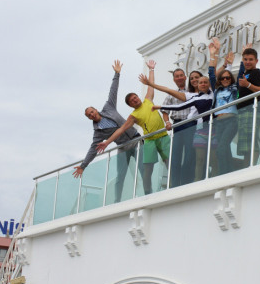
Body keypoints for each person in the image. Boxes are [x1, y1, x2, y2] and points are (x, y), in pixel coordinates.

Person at [96, 60, 170, 196]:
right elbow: (120, 130)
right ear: (130, 105)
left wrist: (151, 69)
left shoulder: (148, 100)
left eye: (135, 97)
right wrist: (107, 142)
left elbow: (151, 85)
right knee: (147, 171)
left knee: (168, 162)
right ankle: (148, 193)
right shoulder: (134, 115)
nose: (135, 100)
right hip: (149, 141)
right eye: (132, 100)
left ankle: (174, 184)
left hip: (163, 136)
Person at [72, 60, 140, 202]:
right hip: (123, 147)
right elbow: (93, 150)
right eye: (89, 115)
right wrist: (83, 166)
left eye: (92, 111)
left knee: (141, 169)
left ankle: (145, 192)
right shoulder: (98, 132)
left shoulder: (109, 107)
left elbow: (113, 91)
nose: (91, 114)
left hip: (135, 139)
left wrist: (117, 74)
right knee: (121, 175)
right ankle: (117, 201)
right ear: (89, 118)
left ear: (96, 110)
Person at [139, 73, 215, 181]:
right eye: (195, 79)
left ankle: (200, 179)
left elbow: (213, 73)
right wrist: (151, 85)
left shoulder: (212, 92)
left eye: (202, 81)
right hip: (193, 127)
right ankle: (183, 182)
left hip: (203, 125)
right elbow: (175, 101)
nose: (199, 82)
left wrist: (224, 64)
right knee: (186, 157)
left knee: (202, 156)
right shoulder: (193, 97)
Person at [208, 39, 244, 175]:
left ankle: (224, 173)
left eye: (227, 78)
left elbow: (240, 75)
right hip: (219, 123)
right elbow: (211, 75)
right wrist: (213, 55)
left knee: (221, 148)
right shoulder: (217, 91)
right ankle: (229, 172)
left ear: (231, 79)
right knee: (224, 148)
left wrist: (242, 58)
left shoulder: (234, 89)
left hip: (231, 121)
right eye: (222, 78)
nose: (225, 79)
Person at [161, 68, 195, 187]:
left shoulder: (192, 91)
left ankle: (187, 181)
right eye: (177, 76)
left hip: (191, 123)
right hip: (177, 125)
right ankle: (175, 184)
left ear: (185, 77)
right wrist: (167, 122)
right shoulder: (171, 94)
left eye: (181, 75)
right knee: (175, 156)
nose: (179, 78)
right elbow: (164, 110)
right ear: (174, 79)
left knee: (190, 153)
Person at [237, 45, 260, 166]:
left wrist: (248, 85)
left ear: (256, 61)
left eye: (251, 59)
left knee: (251, 143)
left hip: (251, 111)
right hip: (243, 112)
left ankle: (252, 167)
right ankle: (247, 168)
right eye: (245, 59)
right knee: (245, 146)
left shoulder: (256, 73)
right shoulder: (246, 74)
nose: (248, 62)